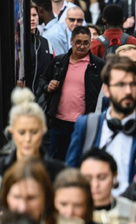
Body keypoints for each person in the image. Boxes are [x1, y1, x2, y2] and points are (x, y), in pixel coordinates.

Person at [67, 57, 136, 196]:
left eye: (133, 84)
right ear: (106, 90)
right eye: (121, 85)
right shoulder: (86, 125)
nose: (128, 91)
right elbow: (71, 175)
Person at [0, 88, 66, 219]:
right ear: (12, 132)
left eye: (34, 132)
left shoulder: (59, 173)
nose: (28, 139)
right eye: (22, 132)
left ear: (43, 131)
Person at [41, 26, 104, 161]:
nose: (82, 46)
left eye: (86, 43)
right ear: (71, 41)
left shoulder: (98, 65)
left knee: (82, 161)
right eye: (78, 42)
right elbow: (42, 79)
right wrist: (48, 86)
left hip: (84, 123)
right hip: (58, 123)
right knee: (57, 162)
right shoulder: (59, 61)